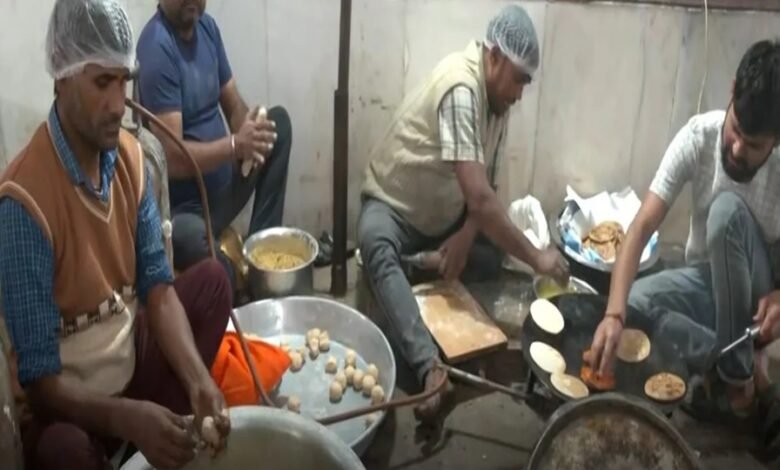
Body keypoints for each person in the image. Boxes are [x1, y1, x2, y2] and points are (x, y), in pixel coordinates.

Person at [0, 1, 232, 469]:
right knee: (59, 451)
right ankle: (134, 443)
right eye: (101, 82)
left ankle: (162, 432)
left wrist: (197, 381)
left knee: (212, 283)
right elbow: (42, 386)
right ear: (62, 78)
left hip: (128, 366)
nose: (117, 103)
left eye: (123, 80)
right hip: (71, 408)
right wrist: (127, 420)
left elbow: (158, 289)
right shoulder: (24, 202)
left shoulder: (129, 159)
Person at [359, 4, 569, 420]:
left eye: (526, 83)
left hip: (444, 216)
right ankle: (429, 366)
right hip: (395, 208)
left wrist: (467, 235)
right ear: (494, 57)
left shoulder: (498, 103)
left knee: (490, 254)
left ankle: (417, 271)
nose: (520, 93)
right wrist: (539, 259)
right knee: (374, 242)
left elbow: (485, 191)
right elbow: (480, 197)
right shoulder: (462, 89)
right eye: (518, 80)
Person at [589, 40, 780, 439]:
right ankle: (733, 361)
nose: (738, 149)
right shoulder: (700, 136)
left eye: (754, 144)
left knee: (726, 213)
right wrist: (613, 315)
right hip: (708, 284)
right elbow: (640, 227)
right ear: (731, 93)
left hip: (759, 302)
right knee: (635, 303)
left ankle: (737, 386)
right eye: (736, 131)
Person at [136, 0, 293, 291]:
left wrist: (250, 128)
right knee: (220, 277)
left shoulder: (207, 29)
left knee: (277, 126)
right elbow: (171, 157)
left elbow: (232, 103)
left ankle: (260, 263)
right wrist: (235, 146)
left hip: (224, 190)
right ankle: (236, 274)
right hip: (187, 212)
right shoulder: (157, 48)